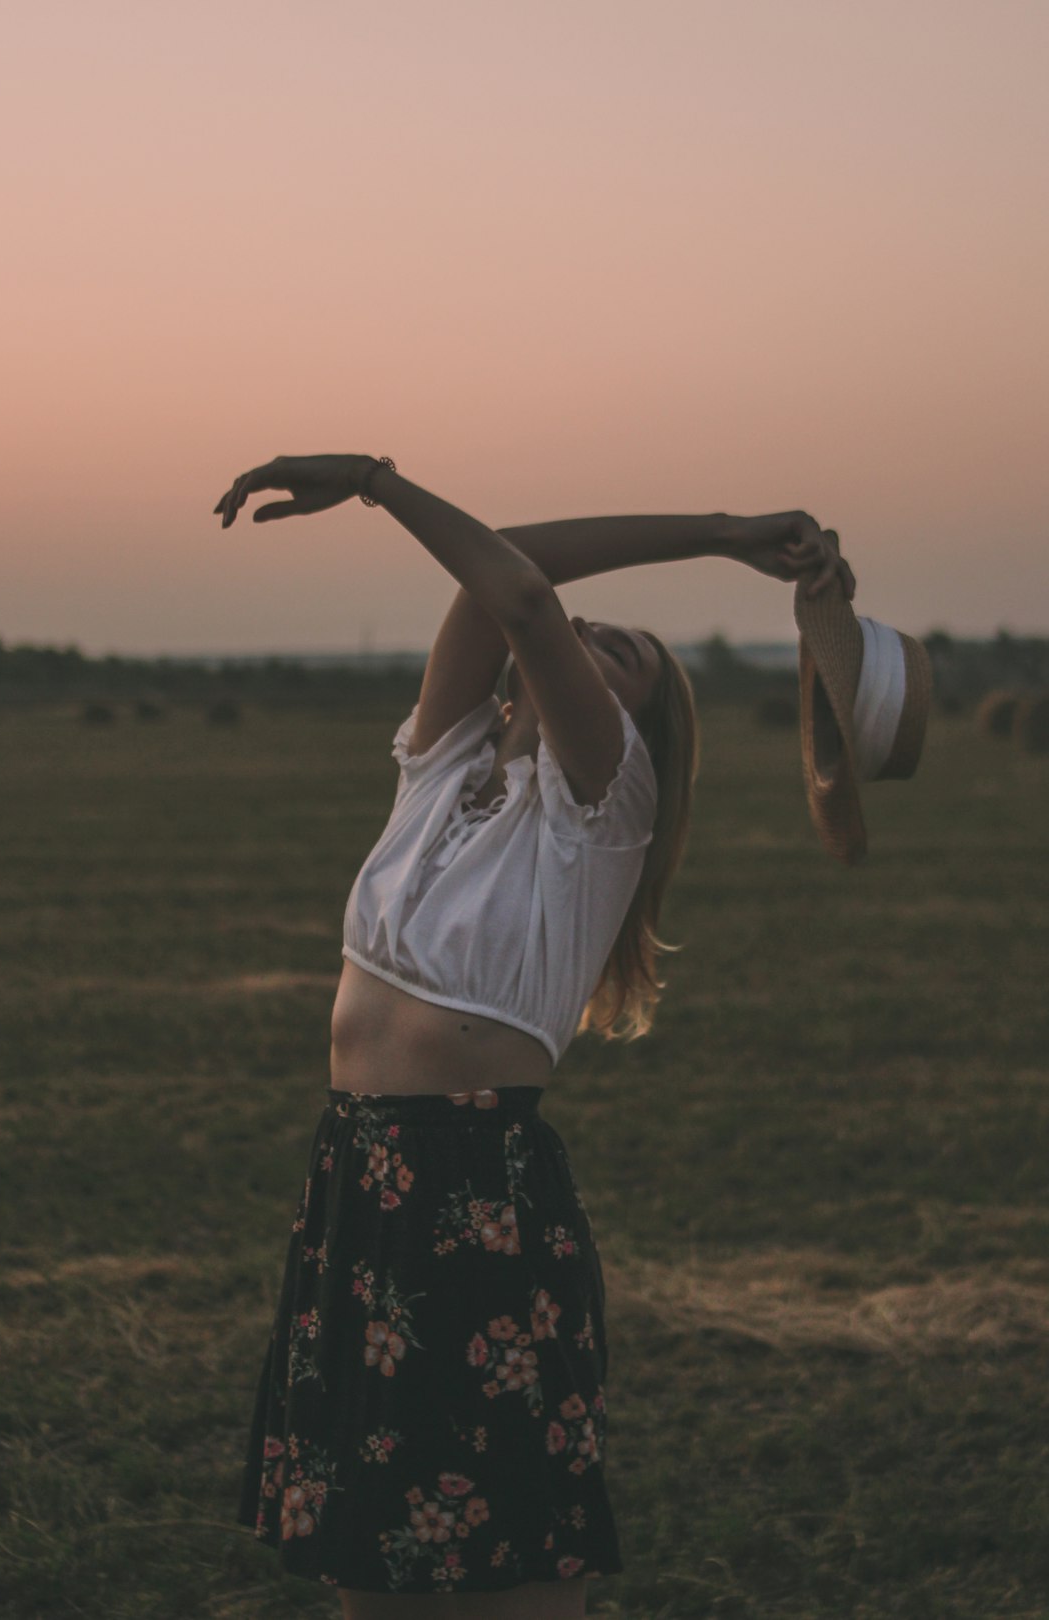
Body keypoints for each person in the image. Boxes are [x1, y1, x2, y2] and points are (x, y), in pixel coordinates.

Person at [215, 454, 853, 1619]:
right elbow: (503, 578)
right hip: (358, 1180)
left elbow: (518, 591)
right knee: (372, 1555)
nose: (588, 633)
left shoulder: (606, 801)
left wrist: (375, 480)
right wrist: (719, 524)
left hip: (475, 1197)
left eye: (623, 654)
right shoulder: (439, 763)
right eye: (593, 629)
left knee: (511, 1557)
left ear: (637, 718)